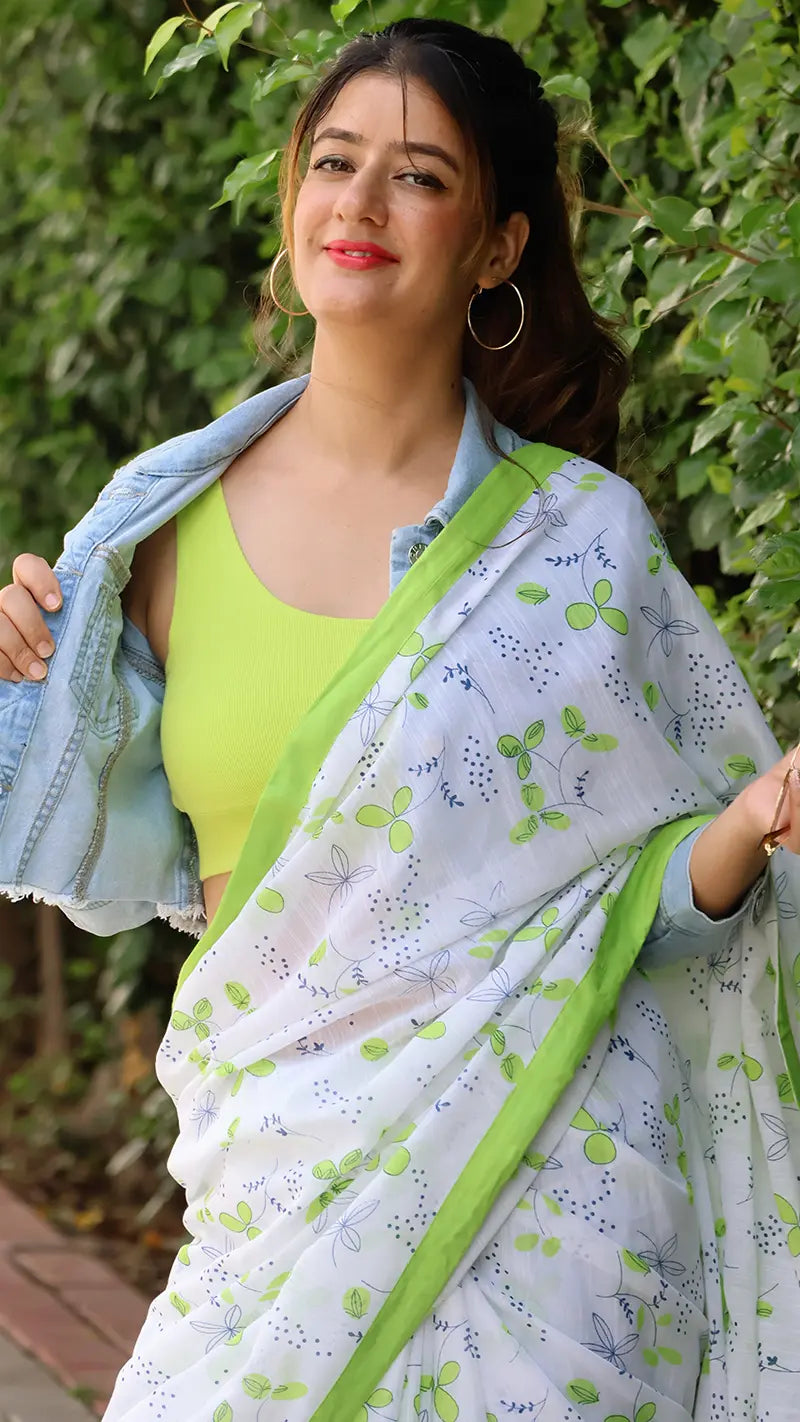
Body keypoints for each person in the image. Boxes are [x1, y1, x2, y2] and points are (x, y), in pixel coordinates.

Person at [0, 17, 799, 1421]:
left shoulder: (574, 546)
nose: (360, 205)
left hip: (553, 1228)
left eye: (420, 177)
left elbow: (631, 918)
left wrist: (745, 827)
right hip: (272, 1193)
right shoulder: (156, 533)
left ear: (497, 244)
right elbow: (55, 836)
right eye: (334, 160)